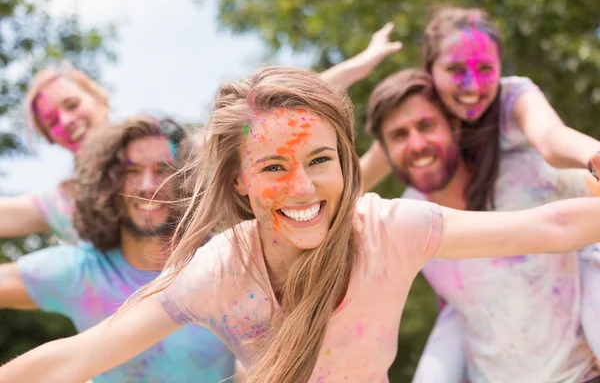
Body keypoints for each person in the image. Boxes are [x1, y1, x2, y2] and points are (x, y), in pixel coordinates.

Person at [2, 67, 600, 383]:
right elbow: (76, 359)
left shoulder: (391, 229)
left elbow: (551, 226)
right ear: (240, 181)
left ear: (346, 161)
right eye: (272, 167)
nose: (302, 188)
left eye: (319, 160)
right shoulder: (219, 273)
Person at [364, 67, 599, 383]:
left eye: (426, 125)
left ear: (455, 126)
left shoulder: (528, 171)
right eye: (399, 135)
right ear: (386, 151)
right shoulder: (401, 219)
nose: (416, 144)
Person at [0, 116, 235, 383]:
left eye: (163, 169)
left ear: (187, 179)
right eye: (131, 171)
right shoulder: (82, 271)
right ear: (108, 184)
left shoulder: (227, 262)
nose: (148, 186)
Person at [0, 67, 110, 244]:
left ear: (101, 100)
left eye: (73, 105)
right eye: (52, 122)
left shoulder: (164, 154)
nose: (66, 121)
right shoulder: (68, 202)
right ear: (51, 138)